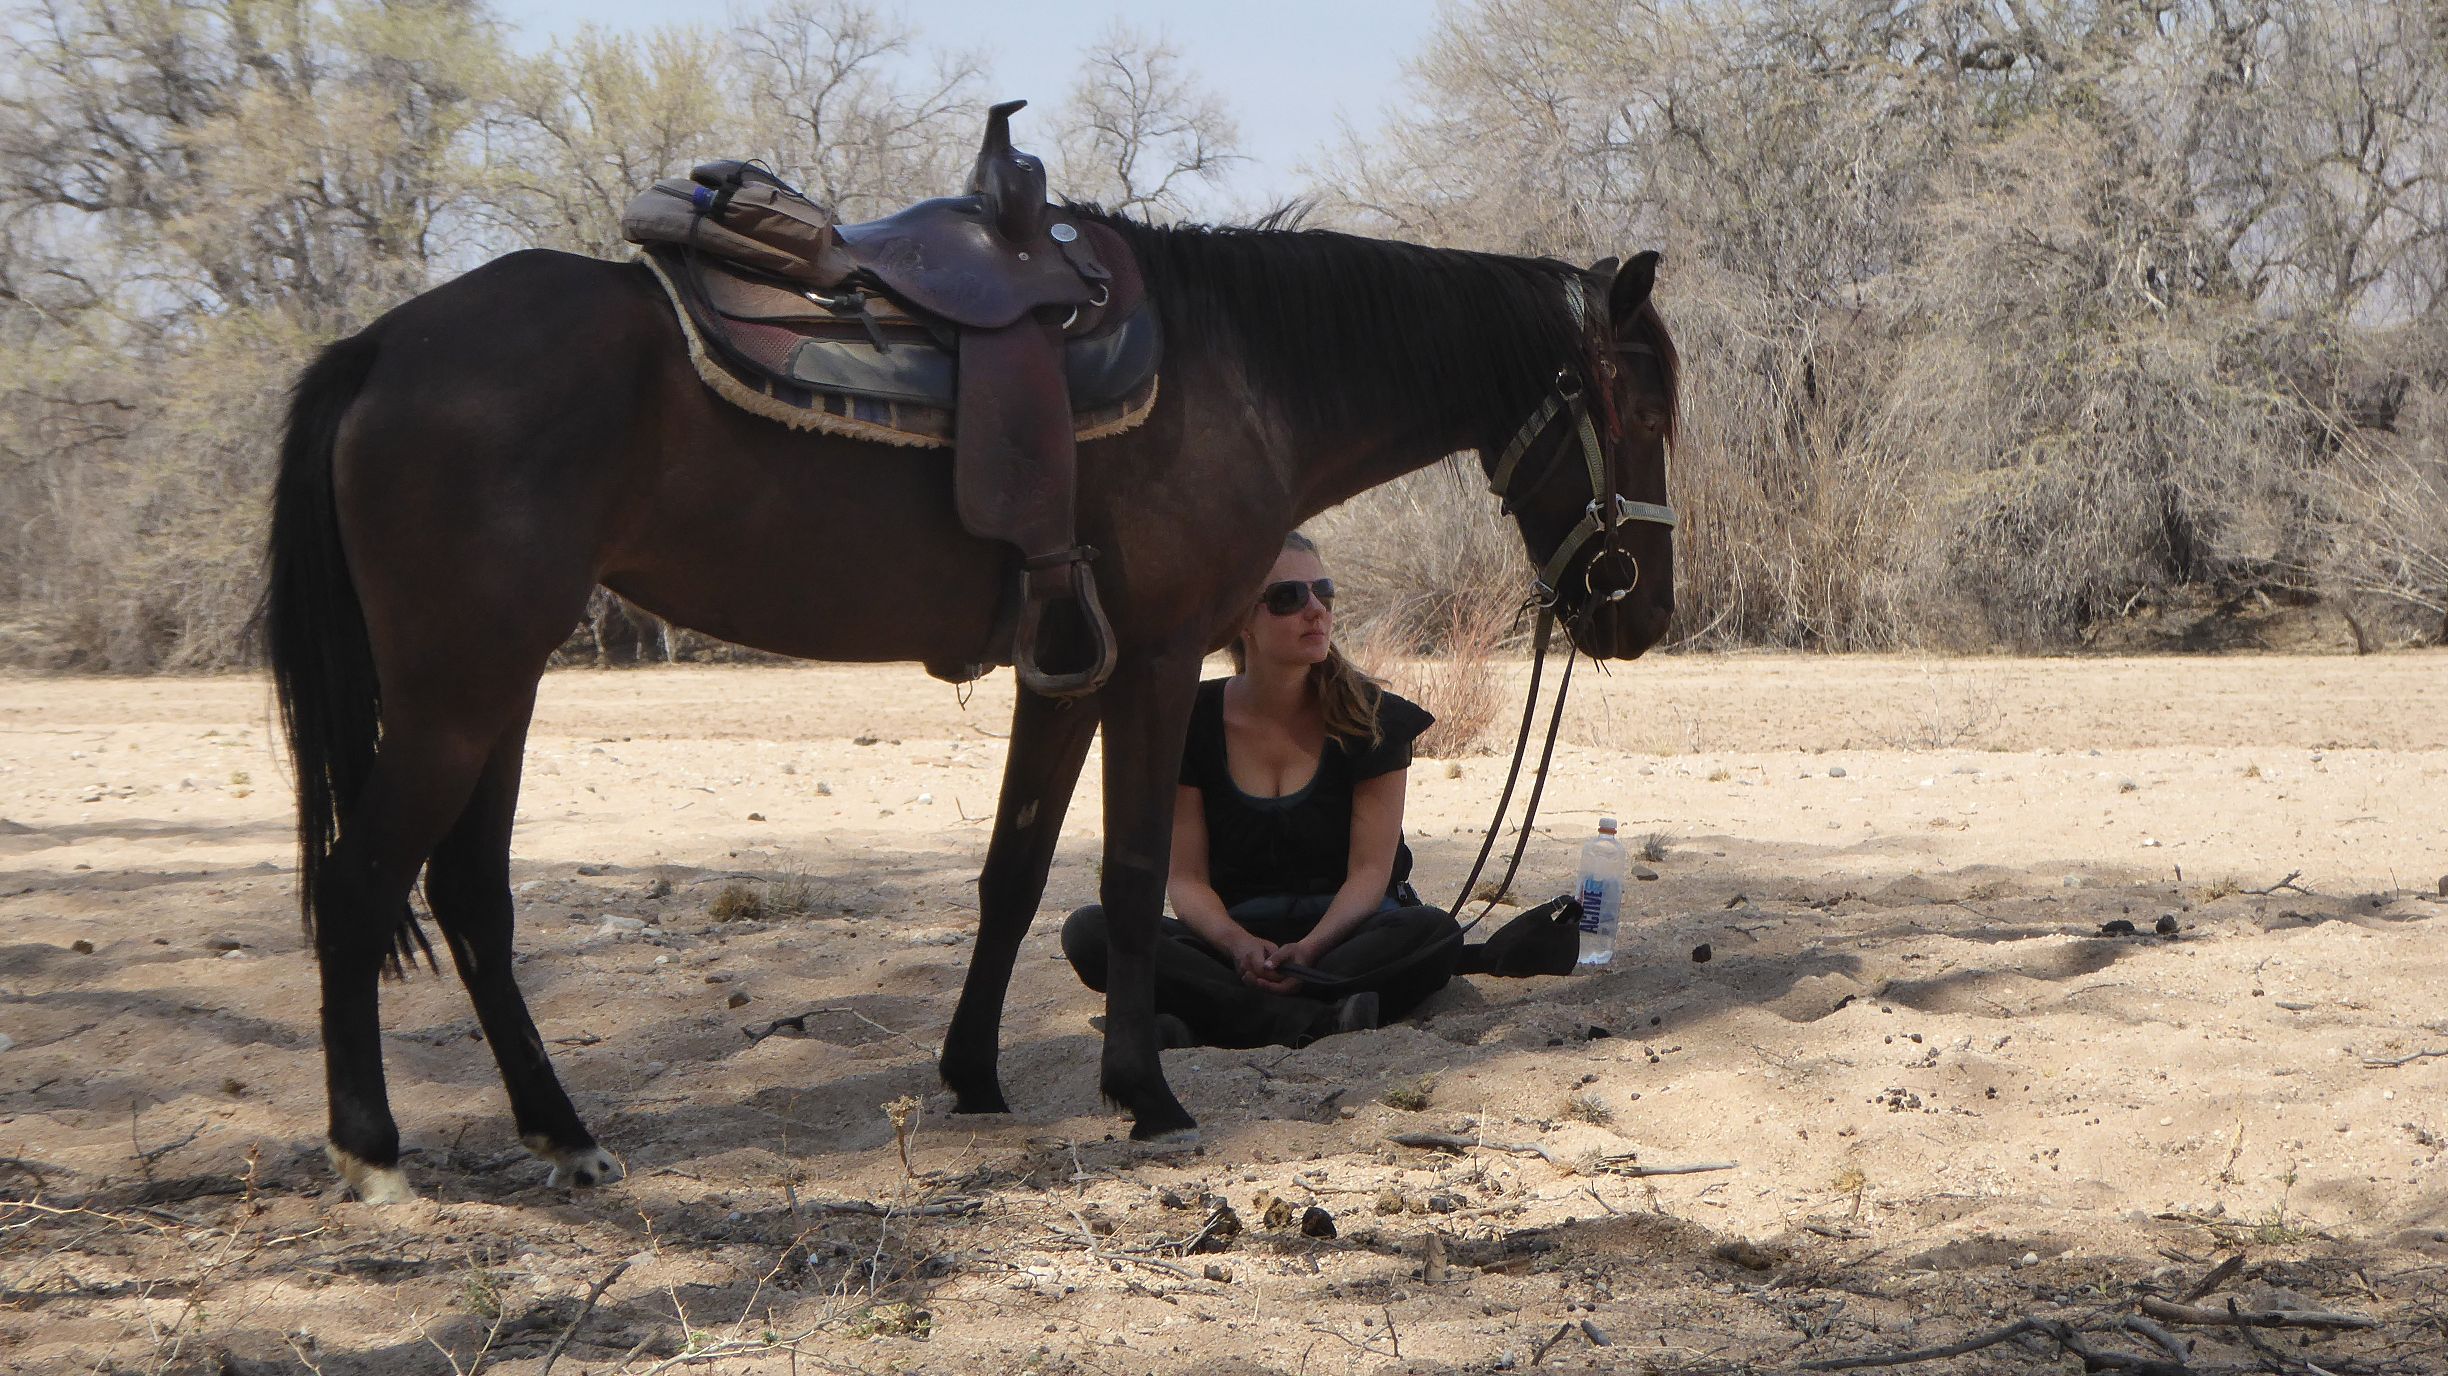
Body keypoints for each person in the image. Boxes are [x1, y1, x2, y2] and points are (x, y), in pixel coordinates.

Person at [1061, 532, 1463, 1048]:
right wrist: (1237, 944)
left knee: (1434, 933)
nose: (1315, 610)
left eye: (1323, 591)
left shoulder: (1371, 718)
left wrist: (1312, 949)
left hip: (1345, 936)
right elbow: (1185, 880)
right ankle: (1307, 1019)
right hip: (1234, 942)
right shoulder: (1190, 722)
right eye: (1288, 598)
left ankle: (1214, 1017)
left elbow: (1369, 873)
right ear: (1239, 620)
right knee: (1094, 932)